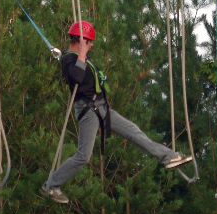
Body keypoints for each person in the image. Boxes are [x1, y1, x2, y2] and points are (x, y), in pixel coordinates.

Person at [42, 21, 192, 204]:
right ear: (81, 41)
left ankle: (168, 157)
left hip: (101, 108)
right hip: (88, 110)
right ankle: (51, 185)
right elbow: (77, 79)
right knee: (83, 155)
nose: (91, 45)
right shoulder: (70, 59)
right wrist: (81, 53)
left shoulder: (81, 58)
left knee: (133, 131)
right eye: (89, 42)